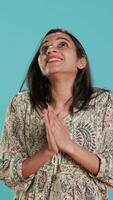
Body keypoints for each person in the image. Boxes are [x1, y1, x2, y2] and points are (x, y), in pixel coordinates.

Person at [0, 28, 113, 200]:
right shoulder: (21, 104)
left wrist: (69, 145)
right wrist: (47, 151)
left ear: (81, 61)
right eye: (44, 48)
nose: (51, 50)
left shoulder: (104, 103)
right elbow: (7, 172)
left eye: (62, 44)